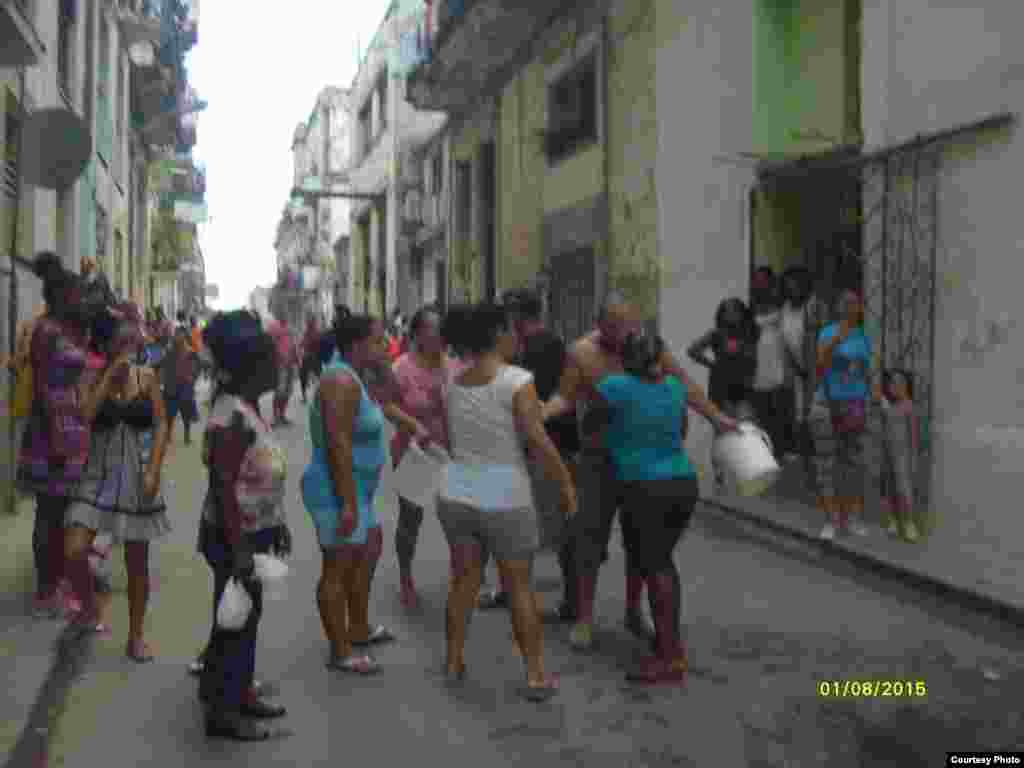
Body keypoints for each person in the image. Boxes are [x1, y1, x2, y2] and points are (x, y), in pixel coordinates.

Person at [544, 293, 737, 651]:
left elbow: (684, 384)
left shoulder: (646, 348)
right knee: (589, 538)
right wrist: (540, 414)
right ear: (599, 324)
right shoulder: (581, 353)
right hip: (599, 461)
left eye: (626, 325)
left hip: (640, 466)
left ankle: (635, 611)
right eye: (613, 326)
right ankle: (585, 619)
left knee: (641, 542)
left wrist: (716, 416)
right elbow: (566, 397)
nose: (621, 333)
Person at [437, 302, 575, 700]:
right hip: (505, 495)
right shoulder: (518, 380)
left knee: (463, 582)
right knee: (518, 587)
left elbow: (451, 440)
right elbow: (536, 438)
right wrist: (565, 481)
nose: (516, 338)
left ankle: (453, 661)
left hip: (458, 491)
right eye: (511, 331)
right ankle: (534, 675)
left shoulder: (453, 384)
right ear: (497, 334)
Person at [583, 332, 731, 684]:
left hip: (643, 486)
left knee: (657, 565)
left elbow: (591, 427)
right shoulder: (674, 389)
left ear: (625, 359)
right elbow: (678, 433)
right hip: (681, 482)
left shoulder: (613, 387)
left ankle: (670, 654)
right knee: (655, 558)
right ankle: (656, 635)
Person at [198, 310, 291, 741]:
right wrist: (238, 552)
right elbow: (223, 488)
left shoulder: (247, 407)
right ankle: (223, 713)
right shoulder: (229, 415)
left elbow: (259, 475)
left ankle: (238, 694)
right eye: (270, 361)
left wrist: (280, 524)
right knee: (234, 623)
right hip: (234, 537)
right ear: (251, 367)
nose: (278, 367)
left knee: (244, 619)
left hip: (256, 532)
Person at [62, 304, 172, 658]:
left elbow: (161, 424)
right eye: (120, 341)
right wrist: (110, 377)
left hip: (138, 477)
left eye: (131, 340)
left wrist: (155, 468)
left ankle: (136, 635)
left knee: (137, 563)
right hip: (97, 477)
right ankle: (90, 608)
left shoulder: (148, 377)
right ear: (108, 345)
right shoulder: (92, 376)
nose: (127, 346)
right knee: (73, 549)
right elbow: (86, 415)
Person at [302, 309, 398, 675]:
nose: (385, 344)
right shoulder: (339, 381)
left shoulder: (357, 377)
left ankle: (358, 627)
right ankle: (340, 650)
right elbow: (338, 443)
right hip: (338, 489)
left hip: (359, 489)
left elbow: (392, 397)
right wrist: (346, 503)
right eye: (378, 339)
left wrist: (384, 365)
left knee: (369, 548)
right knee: (337, 569)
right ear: (357, 344)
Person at [494, 289, 581, 620]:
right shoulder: (543, 344)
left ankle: (561, 601)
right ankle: (524, 593)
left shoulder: (537, 348)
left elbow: (532, 400)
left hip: (549, 445)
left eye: (509, 314)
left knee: (547, 525)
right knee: (547, 524)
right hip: (549, 443)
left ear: (518, 316)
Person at [17, 254, 93, 619]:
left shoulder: (70, 329)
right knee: (49, 512)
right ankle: (46, 590)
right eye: (74, 294)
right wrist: (58, 440)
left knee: (64, 512)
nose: (79, 300)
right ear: (59, 296)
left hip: (73, 428)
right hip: (51, 431)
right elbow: (44, 390)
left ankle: (59, 579)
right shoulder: (46, 331)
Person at [387, 305, 456, 609]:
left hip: (449, 453)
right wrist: (413, 425)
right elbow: (387, 406)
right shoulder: (401, 368)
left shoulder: (452, 366)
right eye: (433, 329)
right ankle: (405, 578)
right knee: (411, 520)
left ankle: (462, 578)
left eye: (442, 330)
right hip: (414, 454)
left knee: (457, 520)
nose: (440, 335)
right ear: (417, 334)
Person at [811, 288, 873, 540]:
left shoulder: (863, 336)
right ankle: (831, 521)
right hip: (827, 403)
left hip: (854, 405)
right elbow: (821, 363)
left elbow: (865, 371)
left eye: (854, 303)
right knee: (827, 464)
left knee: (854, 464)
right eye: (845, 303)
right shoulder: (827, 332)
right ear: (838, 307)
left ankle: (854, 519)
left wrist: (872, 396)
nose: (850, 307)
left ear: (859, 308)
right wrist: (838, 338)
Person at [878, 369, 921, 542]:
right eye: (891, 383)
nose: (893, 386)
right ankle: (895, 521)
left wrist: (914, 459)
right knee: (891, 490)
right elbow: (885, 431)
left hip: (902, 456)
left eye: (897, 383)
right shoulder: (890, 407)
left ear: (905, 386)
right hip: (888, 455)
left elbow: (913, 436)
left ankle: (910, 524)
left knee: (904, 491)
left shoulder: (908, 406)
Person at [161, 328, 199, 444]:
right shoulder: (169, 351)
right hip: (171, 386)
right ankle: (168, 436)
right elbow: (164, 367)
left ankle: (186, 436)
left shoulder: (191, 352)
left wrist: (192, 379)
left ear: (184, 337)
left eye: (180, 335)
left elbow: (196, 369)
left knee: (185, 414)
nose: (177, 337)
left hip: (184, 388)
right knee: (170, 414)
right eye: (176, 335)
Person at [298, 315, 322, 404]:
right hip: (314, 357)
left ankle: (305, 396)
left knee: (304, 376)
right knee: (317, 377)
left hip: (310, 357)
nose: (308, 323)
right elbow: (302, 344)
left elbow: (302, 344)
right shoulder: (315, 332)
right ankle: (306, 396)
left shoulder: (311, 332)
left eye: (309, 322)